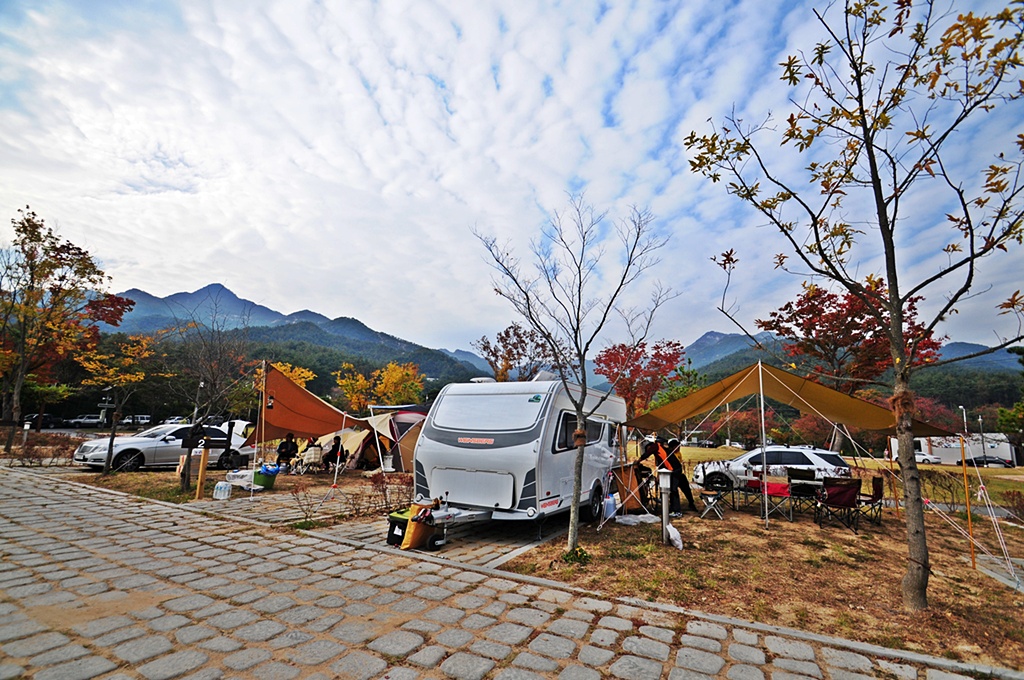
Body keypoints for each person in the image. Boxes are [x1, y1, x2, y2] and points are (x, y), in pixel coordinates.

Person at [638, 436, 697, 517]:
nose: (649, 450)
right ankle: (675, 507)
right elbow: (662, 465)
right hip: (675, 469)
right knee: (674, 489)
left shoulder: (655, 446)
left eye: (648, 448)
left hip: (674, 470)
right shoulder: (660, 452)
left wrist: (638, 460)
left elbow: (646, 454)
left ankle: (677, 511)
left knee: (673, 490)